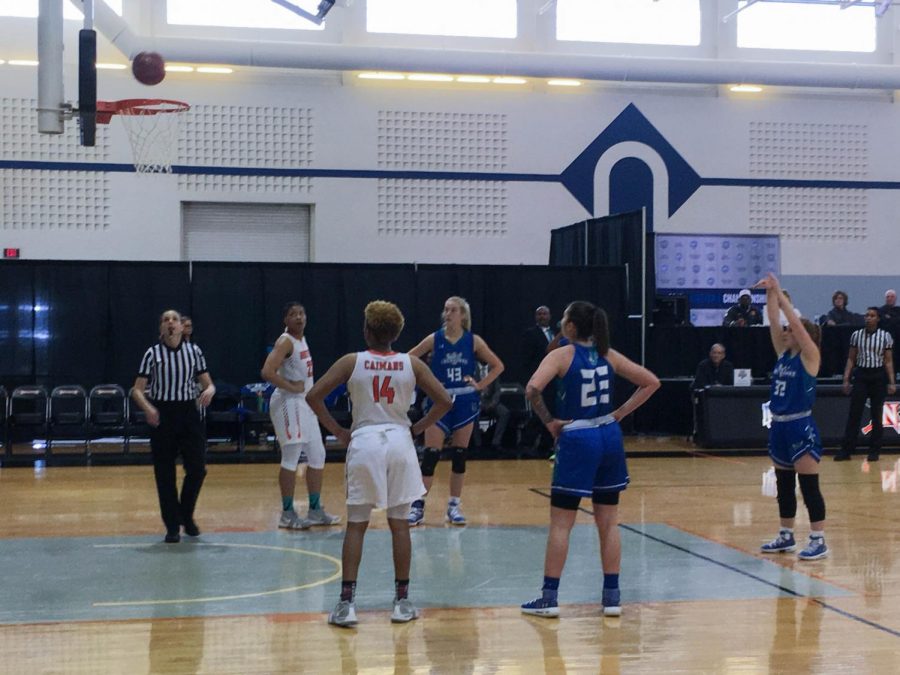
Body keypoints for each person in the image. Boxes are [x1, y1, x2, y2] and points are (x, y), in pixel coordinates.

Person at [306, 300, 452, 628]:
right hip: (400, 442)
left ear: (367, 330)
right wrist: (417, 427)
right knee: (399, 524)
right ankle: (402, 602)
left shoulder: (351, 361)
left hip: (365, 441)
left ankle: (346, 604)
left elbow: (313, 395)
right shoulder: (411, 363)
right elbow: (444, 400)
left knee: (356, 524)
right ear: (396, 333)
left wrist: (339, 431)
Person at [520, 301, 660, 618]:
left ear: (570, 327)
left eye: (564, 317)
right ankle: (612, 597)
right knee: (609, 522)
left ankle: (549, 597)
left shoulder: (561, 355)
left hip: (578, 436)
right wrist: (620, 413)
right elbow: (651, 381)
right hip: (609, 435)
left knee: (561, 524)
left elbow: (532, 389)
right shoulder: (607, 353)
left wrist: (550, 422)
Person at [407, 296, 504, 527]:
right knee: (431, 455)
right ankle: (418, 505)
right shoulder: (435, 338)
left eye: (453, 310)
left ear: (463, 315)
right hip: (440, 401)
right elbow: (408, 358)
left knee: (460, 455)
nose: (447, 313)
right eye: (446, 309)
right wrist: (426, 379)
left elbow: (498, 365)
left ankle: (454, 505)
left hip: (465, 401)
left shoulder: (473, 341)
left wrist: (480, 385)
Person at [755, 273, 828, 561]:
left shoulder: (809, 356)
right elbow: (774, 321)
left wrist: (783, 299)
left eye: (790, 329)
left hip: (801, 425)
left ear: (801, 334)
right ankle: (786, 535)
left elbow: (792, 322)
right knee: (784, 485)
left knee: (809, 486)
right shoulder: (783, 354)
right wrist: (771, 292)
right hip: (780, 425)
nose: (785, 330)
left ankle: (819, 539)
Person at [131, 309, 216, 543]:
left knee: (198, 468)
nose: (170, 323)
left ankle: (185, 515)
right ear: (161, 328)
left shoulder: (194, 352)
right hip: (163, 414)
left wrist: (209, 390)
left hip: (189, 413)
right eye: (165, 320)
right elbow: (136, 390)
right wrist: (148, 408)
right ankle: (172, 525)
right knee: (164, 472)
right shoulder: (152, 354)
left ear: (182, 326)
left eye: (174, 320)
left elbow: (208, 383)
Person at [261, 302, 341, 529]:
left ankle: (315, 509)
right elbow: (267, 371)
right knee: (292, 455)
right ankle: (287, 513)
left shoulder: (300, 339)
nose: (298, 317)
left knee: (318, 455)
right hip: (288, 402)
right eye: (292, 315)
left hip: (305, 403)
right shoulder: (285, 341)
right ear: (285, 320)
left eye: (301, 313)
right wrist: (290, 386)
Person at [834, 306, 895, 462]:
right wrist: (846, 379)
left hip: (878, 375)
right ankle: (847, 449)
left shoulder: (885, 336)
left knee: (876, 414)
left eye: (872, 315)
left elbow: (888, 361)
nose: (868, 318)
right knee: (855, 413)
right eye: (867, 315)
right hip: (861, 375)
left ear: (878, 319)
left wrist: (892, 382)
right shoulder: (856, 335)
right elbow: (851, 359)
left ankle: (874, 450)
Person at [522, 306, 555, 380]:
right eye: (539, 314)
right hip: (539, 372)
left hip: (555, 373)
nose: (542, 316)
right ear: (535, 317)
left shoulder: (555, 333)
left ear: (549, 316)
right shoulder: (530, 333)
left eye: (544, 314)